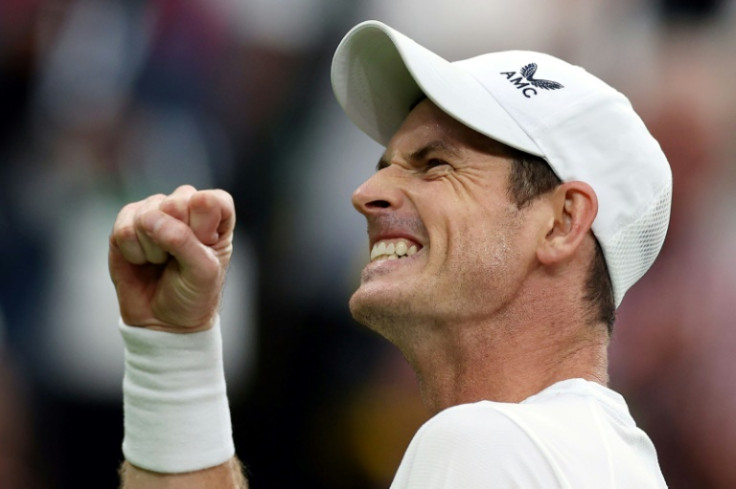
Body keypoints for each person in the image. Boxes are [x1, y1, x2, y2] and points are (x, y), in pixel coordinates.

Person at [110, 21, 671, 488]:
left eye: (434, 164)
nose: (364, 194)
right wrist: (172, 349)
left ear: (562, 222)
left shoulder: (494, 446)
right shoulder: (576, 453)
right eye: (385, 166)